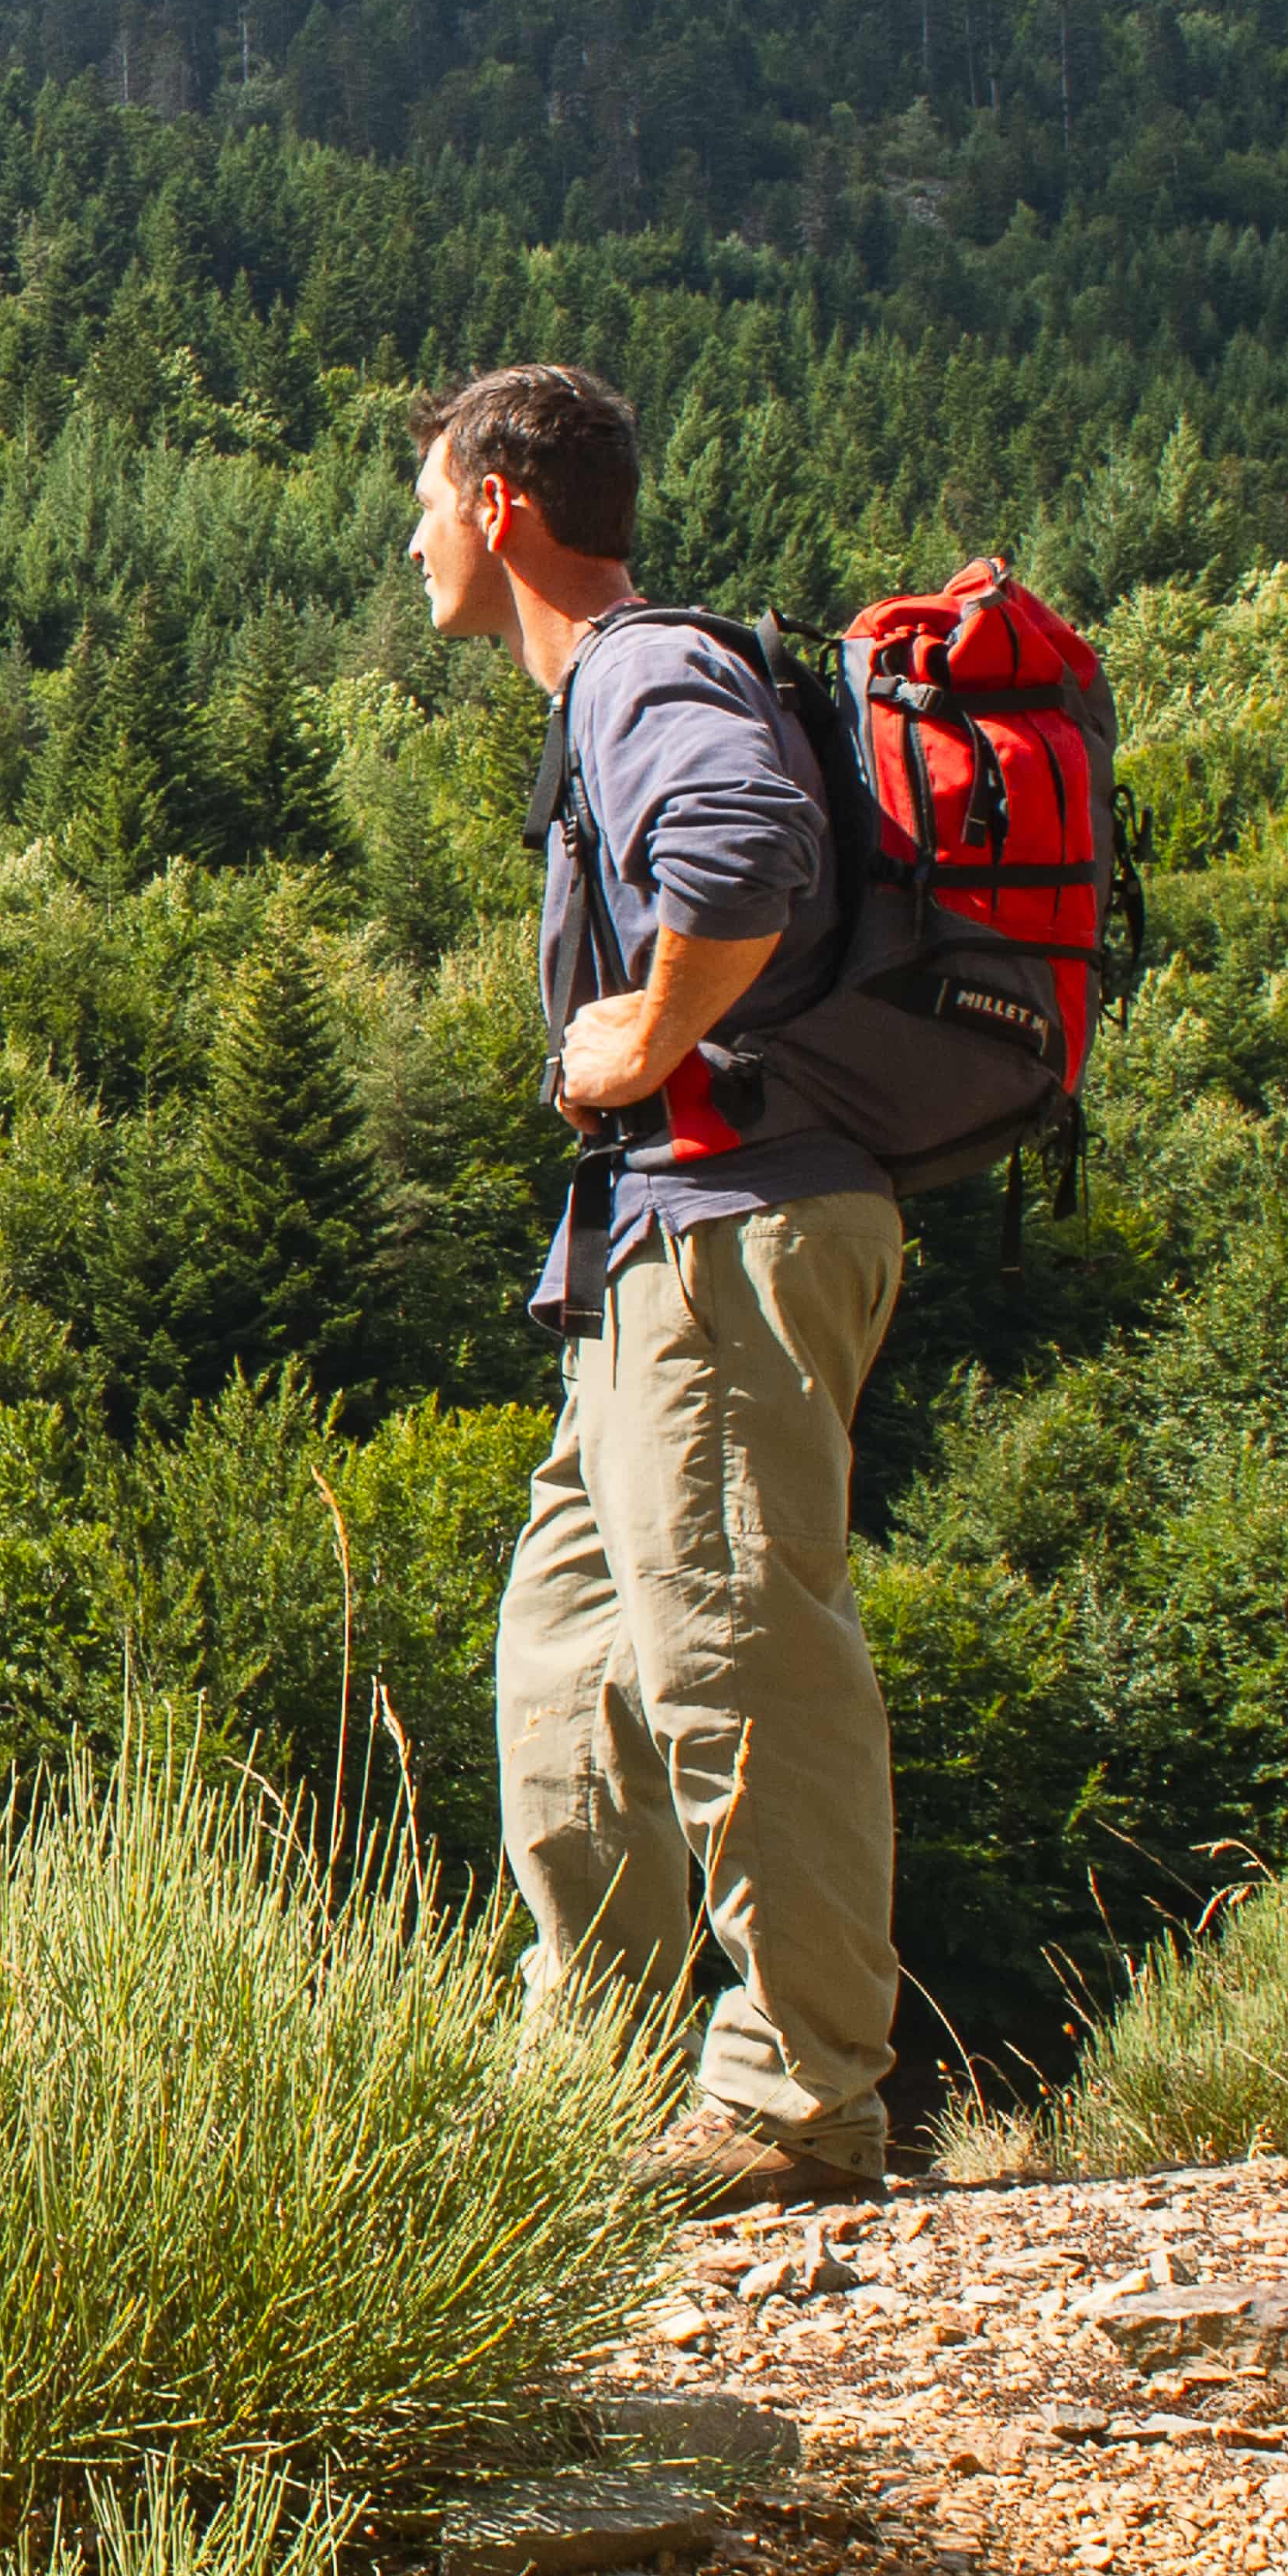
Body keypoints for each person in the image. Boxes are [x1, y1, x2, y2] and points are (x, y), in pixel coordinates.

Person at [407, 362, 908, 2214]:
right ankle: (590, 2080)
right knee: (573, 1659)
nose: (411, 544)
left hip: (726, 1217)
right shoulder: (619, 683)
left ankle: (795, 2098)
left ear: (498, 504)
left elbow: (741, 853)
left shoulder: (638, 670)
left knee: (729, 1647)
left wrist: (639, 1038)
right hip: (659, 1251)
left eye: (425, 504)